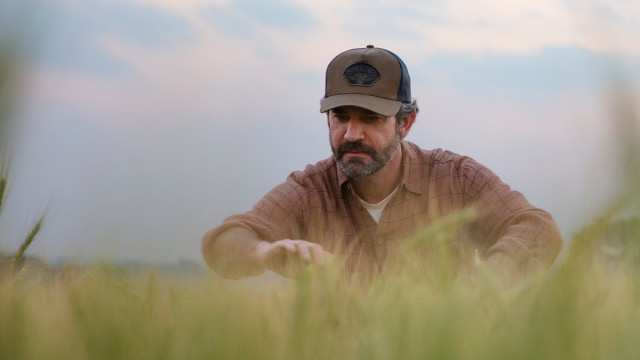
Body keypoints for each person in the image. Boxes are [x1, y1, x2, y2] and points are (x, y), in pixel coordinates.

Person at [201, 45, 563, 283]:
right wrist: (265, 251)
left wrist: (486, 288)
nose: (351, 134)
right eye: (340, 117)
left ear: (405, 123)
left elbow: (537, 228)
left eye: (371, 118)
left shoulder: (456, 178)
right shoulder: (309, 191)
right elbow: (224, 241)